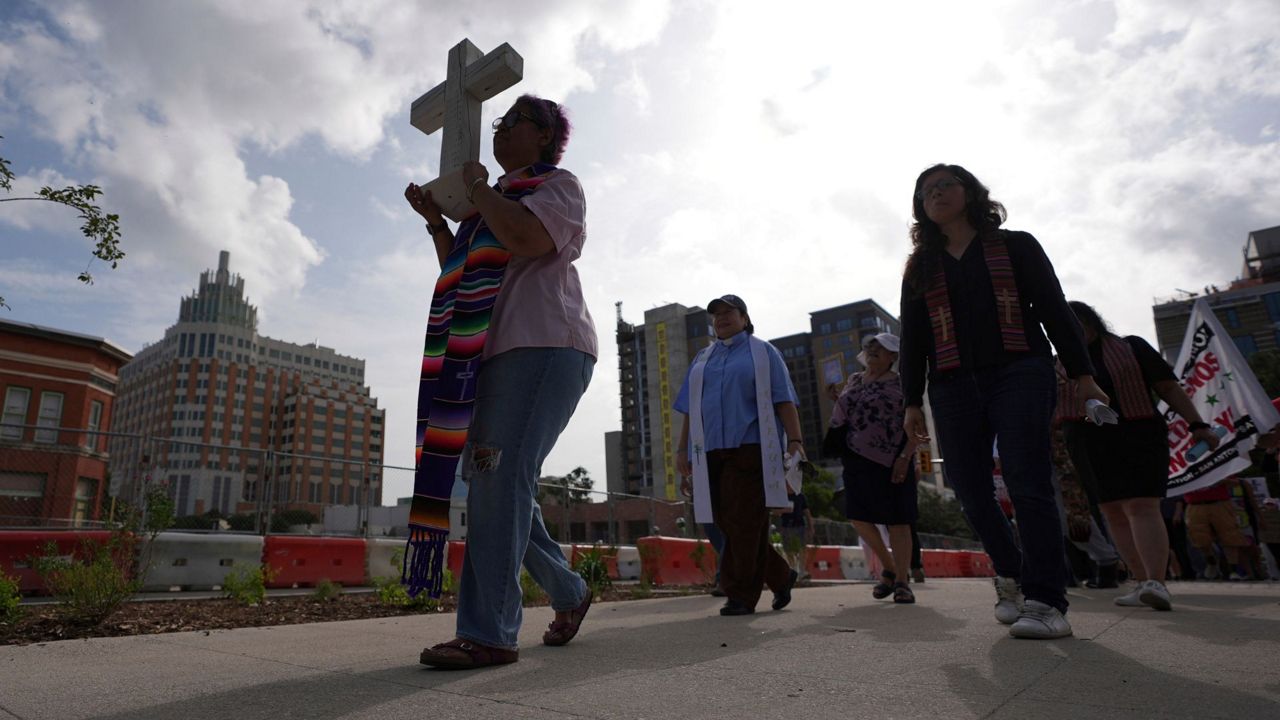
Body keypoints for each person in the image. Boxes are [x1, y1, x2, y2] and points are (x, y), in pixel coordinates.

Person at [408, 95, 597, 669]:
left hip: (543, 346)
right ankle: (569, 592)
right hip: (489, 354)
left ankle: (488, 633)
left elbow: (526, 240)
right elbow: (458, 269)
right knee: (496, 479)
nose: (497, 133)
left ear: (542, 135)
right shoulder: (483, 209)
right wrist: (440, 221)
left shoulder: (557, 187)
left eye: (509, 124)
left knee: (496, 475)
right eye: (496, 125)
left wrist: (480, 191)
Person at [898, 164, 1109, 639]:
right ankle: (1011, 573)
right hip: (950, 385)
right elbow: (914, 337)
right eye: (925, 192)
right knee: (971, 492)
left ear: (971, 192)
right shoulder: (920, 267)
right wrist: (911, 400)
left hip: (1020, 371)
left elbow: (1055, 308)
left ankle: (1047, 600)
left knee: (1026, 480)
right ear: (920, 209)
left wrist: (1083, 374)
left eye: (944, 185)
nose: (936, 195)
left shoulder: (1017, 245)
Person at [1060, 301, 1223, 609]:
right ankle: (1139, 581)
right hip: (1087, 443)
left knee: (1140, 505)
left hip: (1138, 434)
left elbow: (1168, 388)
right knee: (1112, 512)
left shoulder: (1131, 347)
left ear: (1091, 321)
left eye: (1075, 323)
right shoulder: (1058, 363)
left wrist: (1197, 425)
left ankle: (1155, 582)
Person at [674, 294, 803, 616]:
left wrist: (796, 441)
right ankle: (780, 575)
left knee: (744, 521)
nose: (721, 318)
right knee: (725, 521)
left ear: (744, 318)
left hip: (751, 448)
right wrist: (682, 449)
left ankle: (740, 594)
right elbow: (691, 408)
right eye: (716, 315)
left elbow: (783, 399)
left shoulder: (763, 352)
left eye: (729, 312)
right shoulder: (703, 358)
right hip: (708, 451)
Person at [828, 332, 921, 604]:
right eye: (870, 348)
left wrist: (906, 457)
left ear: (893, 356)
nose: (872, 352)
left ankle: (902, 581)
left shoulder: (904, 384)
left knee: (899, 520)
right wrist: (836, 398)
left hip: (893, 458)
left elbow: (915, 425)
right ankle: (889, 566)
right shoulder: (855, 380)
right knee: (858, 515)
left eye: (880, 349)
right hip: (856, 458)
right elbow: (850, 415)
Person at [776, 490, 814, 578]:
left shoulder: (800, 496)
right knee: (788, 549)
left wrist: (811, 527)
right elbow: (774, 511)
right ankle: (793, 570)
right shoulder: (781, 495)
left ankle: (802, 570)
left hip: (800, 525)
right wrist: (784, 510)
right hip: (786, 526)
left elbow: (807, 512)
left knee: (802, 548)